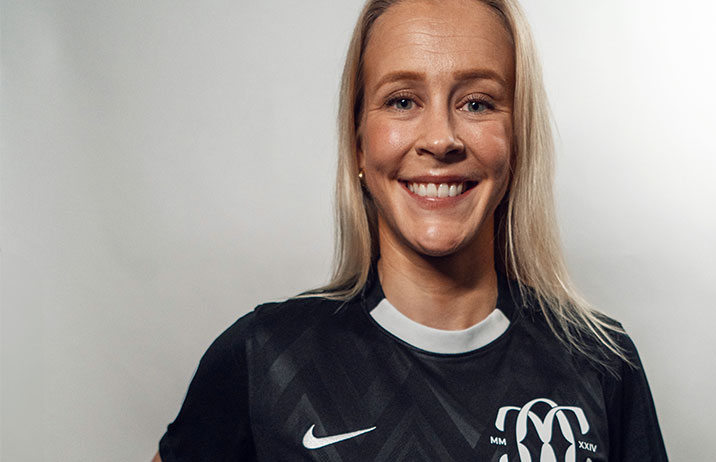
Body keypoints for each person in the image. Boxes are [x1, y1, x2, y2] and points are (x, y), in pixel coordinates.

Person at [154, 0, 668, 460]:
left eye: (477, 103)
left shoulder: (599, 360)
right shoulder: (267, 355)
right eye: (402, 101)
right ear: (359, 142)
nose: (441, 140)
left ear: (517, 139)